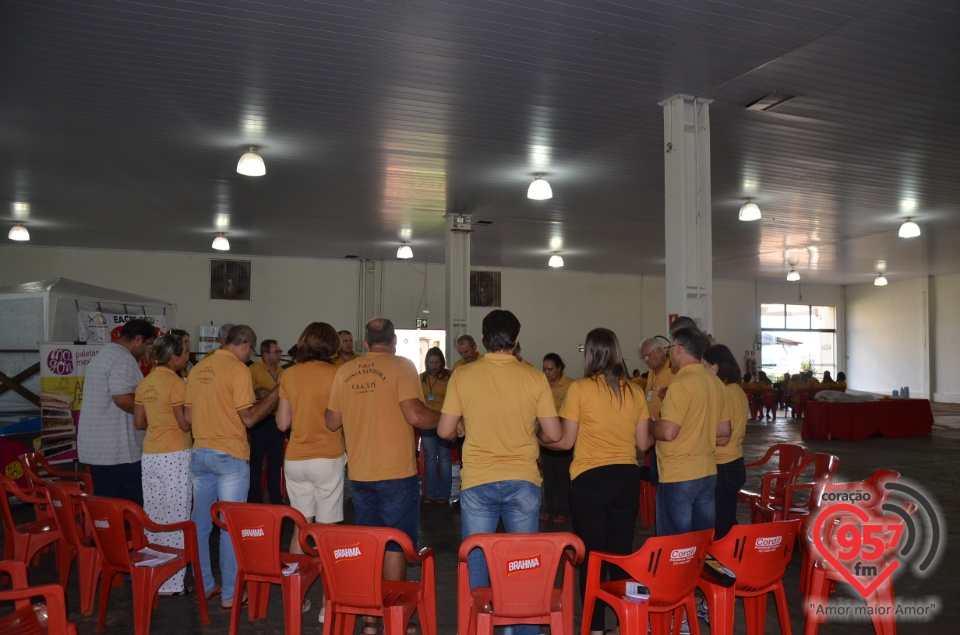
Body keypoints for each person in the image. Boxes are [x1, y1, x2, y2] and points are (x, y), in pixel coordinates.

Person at [437, 310, 562, 635]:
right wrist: (531, 433)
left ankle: (481, 626)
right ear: (517, 341)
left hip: (478, 482)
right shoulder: (534, 376)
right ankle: (520, 628)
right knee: (523, 563)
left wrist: (462, 427)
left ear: (482, 339)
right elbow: (555, 434)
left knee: (478, 558)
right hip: (523, 481)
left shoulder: (464, 376)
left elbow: (444, 430)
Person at [325, 318, 439, 635]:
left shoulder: (344, 371)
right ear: (393, 342)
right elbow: (415, 415)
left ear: (364, 343)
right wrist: (448, 420)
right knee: (395, 545)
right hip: (397, 474)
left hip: (360, 474)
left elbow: (332, 421)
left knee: (371, 544)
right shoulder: (401, 366)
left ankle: (371, 619)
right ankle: (393, 617)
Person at [542, 329, 652, 635]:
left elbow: (565, 443)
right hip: (626, 479)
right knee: (619, 556)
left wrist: (537, 437)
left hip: (591, 481)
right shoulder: (634, 391)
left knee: (591, 557)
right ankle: (622, 622)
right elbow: (643, 444)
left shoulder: (580, 389)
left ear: (590, 354)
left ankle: (594, 627)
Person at [185, 325, 279, 610]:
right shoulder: (238, 370)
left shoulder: (199, 368)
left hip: (200, 453)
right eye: (251, 350)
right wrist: (277, 393)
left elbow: (189, 417)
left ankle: (204, 585)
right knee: (229, 525)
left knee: (200, 524)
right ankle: (230, 594)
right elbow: (249, 419)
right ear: (247, 346)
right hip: (229, 456)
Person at [277, 322, 345, 619]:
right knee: (327, 532)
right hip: (327, 458)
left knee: (301, 527)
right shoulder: (338, 374)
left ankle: (296, 599)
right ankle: (325, 605)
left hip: (295, 460)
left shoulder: (289, 374)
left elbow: (281, 423)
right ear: (332, 345)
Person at [651, 327, 731, 536]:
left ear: (677, 349)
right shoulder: (716, 383)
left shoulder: (681, 384)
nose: (669, 354)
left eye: (669, 348)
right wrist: (696, 434)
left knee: (676, 546)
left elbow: (668, 432)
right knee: (701, 542)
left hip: (679, 475)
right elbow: (724, 432)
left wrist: (649, 425)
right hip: (707, 472)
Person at [133, 332, 192, 595]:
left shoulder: (146, 382)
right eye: (185, 353)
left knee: (154, 515)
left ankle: (155, 577)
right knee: (177, 516)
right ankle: (173, 583)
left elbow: (138, 423)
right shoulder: (177, 383)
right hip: (175, 453)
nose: (187, 357)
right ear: (175, 357)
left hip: (151, 454)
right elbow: (183, 423)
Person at [78, 318, 157, 505]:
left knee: (108, 507)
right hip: (118, 452)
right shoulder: (123, 358)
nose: (147, 351)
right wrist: (152, 416)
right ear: (138, 339)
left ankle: (111, 536)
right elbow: (122, 398)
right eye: (148, 344)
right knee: (134, 506)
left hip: (98, 449)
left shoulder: (103, 355)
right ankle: (132, 535)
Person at [702, 344, 748, 539]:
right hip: (734, 461)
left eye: (704, 366)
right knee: (726, 517)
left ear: (715, 367)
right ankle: (730, 558)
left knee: (721, 523)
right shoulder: (736, 390)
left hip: (722, 464)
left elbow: (722, 433)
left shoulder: (723, 392)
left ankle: (724, 563)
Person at [247, 339, 285, 504]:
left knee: (275, 462)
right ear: (265, 354)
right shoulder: (253, 370)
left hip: (277, 420)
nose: (280, 354)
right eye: (276, 352)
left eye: (279, 351)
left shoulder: (283, 371)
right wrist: (258, 393)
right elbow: (245, 396)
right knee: (256, 462)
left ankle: (276, 498)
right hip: (260, 422)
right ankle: (255, 499)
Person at [540, 353, 573, 524]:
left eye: (551, 369)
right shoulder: (541, 385)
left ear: (560, 368)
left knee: (563, 475)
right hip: (545, 439)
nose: (547, 373)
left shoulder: (571, 386)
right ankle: (550, 507)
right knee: (549, 475)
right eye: (544, 369)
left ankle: (562, 510)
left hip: (564, 438)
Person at [419, 347, 452, 505]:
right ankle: (430, 493)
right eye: (431, 362)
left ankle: (444, 494)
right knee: (431, 458)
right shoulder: (421, 379)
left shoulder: (449, 377)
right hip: (427, 422)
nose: (434, 365)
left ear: (442, 363)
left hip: (445, 421)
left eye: (437, 362)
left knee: (444, 458)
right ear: (426, 363)